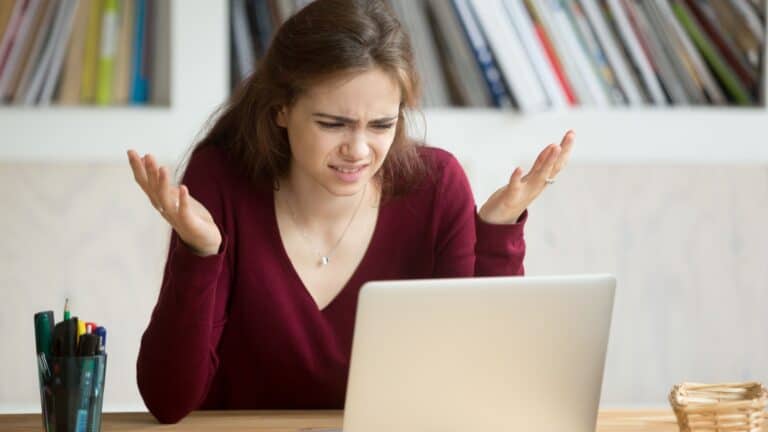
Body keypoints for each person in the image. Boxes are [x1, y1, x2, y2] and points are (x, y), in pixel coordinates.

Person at [127, 0, 574, 424]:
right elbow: (169, 401)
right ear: (281, 108)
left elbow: (483, 393)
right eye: (332, 124)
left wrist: (496, 237)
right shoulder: (221, 180)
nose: (358, 150)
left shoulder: (436, 187)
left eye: (382, 124)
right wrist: (200, 254)